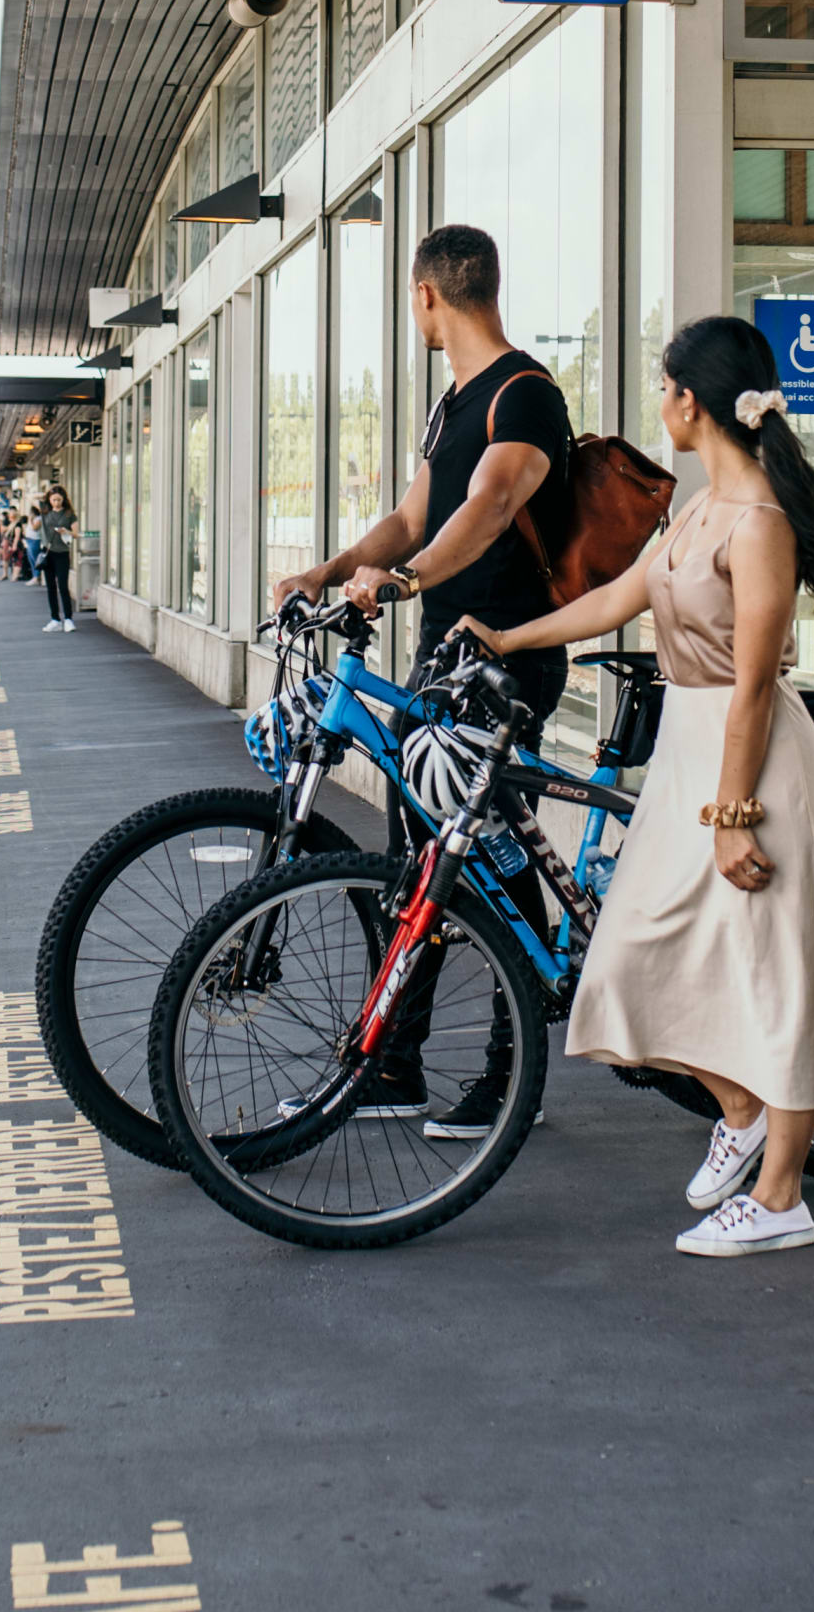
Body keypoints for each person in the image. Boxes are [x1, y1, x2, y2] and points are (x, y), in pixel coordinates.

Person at [463, 312, 814, 1259]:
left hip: (753, 758)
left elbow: (756, 684)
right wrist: (509, 637)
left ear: (691, 401)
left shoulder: (761, 523)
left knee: (776, 979)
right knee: (625, 959)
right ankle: (738, 1110)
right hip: (691, 750)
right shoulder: (696, 511)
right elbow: (622, 598)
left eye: (663, 387)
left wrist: (734, 816)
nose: (659, 404)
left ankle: (780, 1199)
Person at [282, 220, 571, 1136]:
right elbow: (412, 518)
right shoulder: (452, 404)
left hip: (506, 659)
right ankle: (397, 1065)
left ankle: (513, 1061)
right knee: (420, 865)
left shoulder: (523, 396)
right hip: (441, 663)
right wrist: (330, 572)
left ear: (429, 297)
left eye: (417, 300)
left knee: (487, 853)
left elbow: (490, 508)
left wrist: (405, 582)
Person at [30, 486, 81, 631]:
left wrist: (67, 531)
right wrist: (45, 495)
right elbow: (31, 497)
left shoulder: (69, 514)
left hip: (62, 553)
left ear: (64, 499)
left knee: (63, 587)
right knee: (51, 587)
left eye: (59, 499)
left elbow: (76, 534)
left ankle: (69, 619)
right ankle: (55, 619)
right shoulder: (45, 511)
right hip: (48, 553)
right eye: (53, 500)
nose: (56, 503)